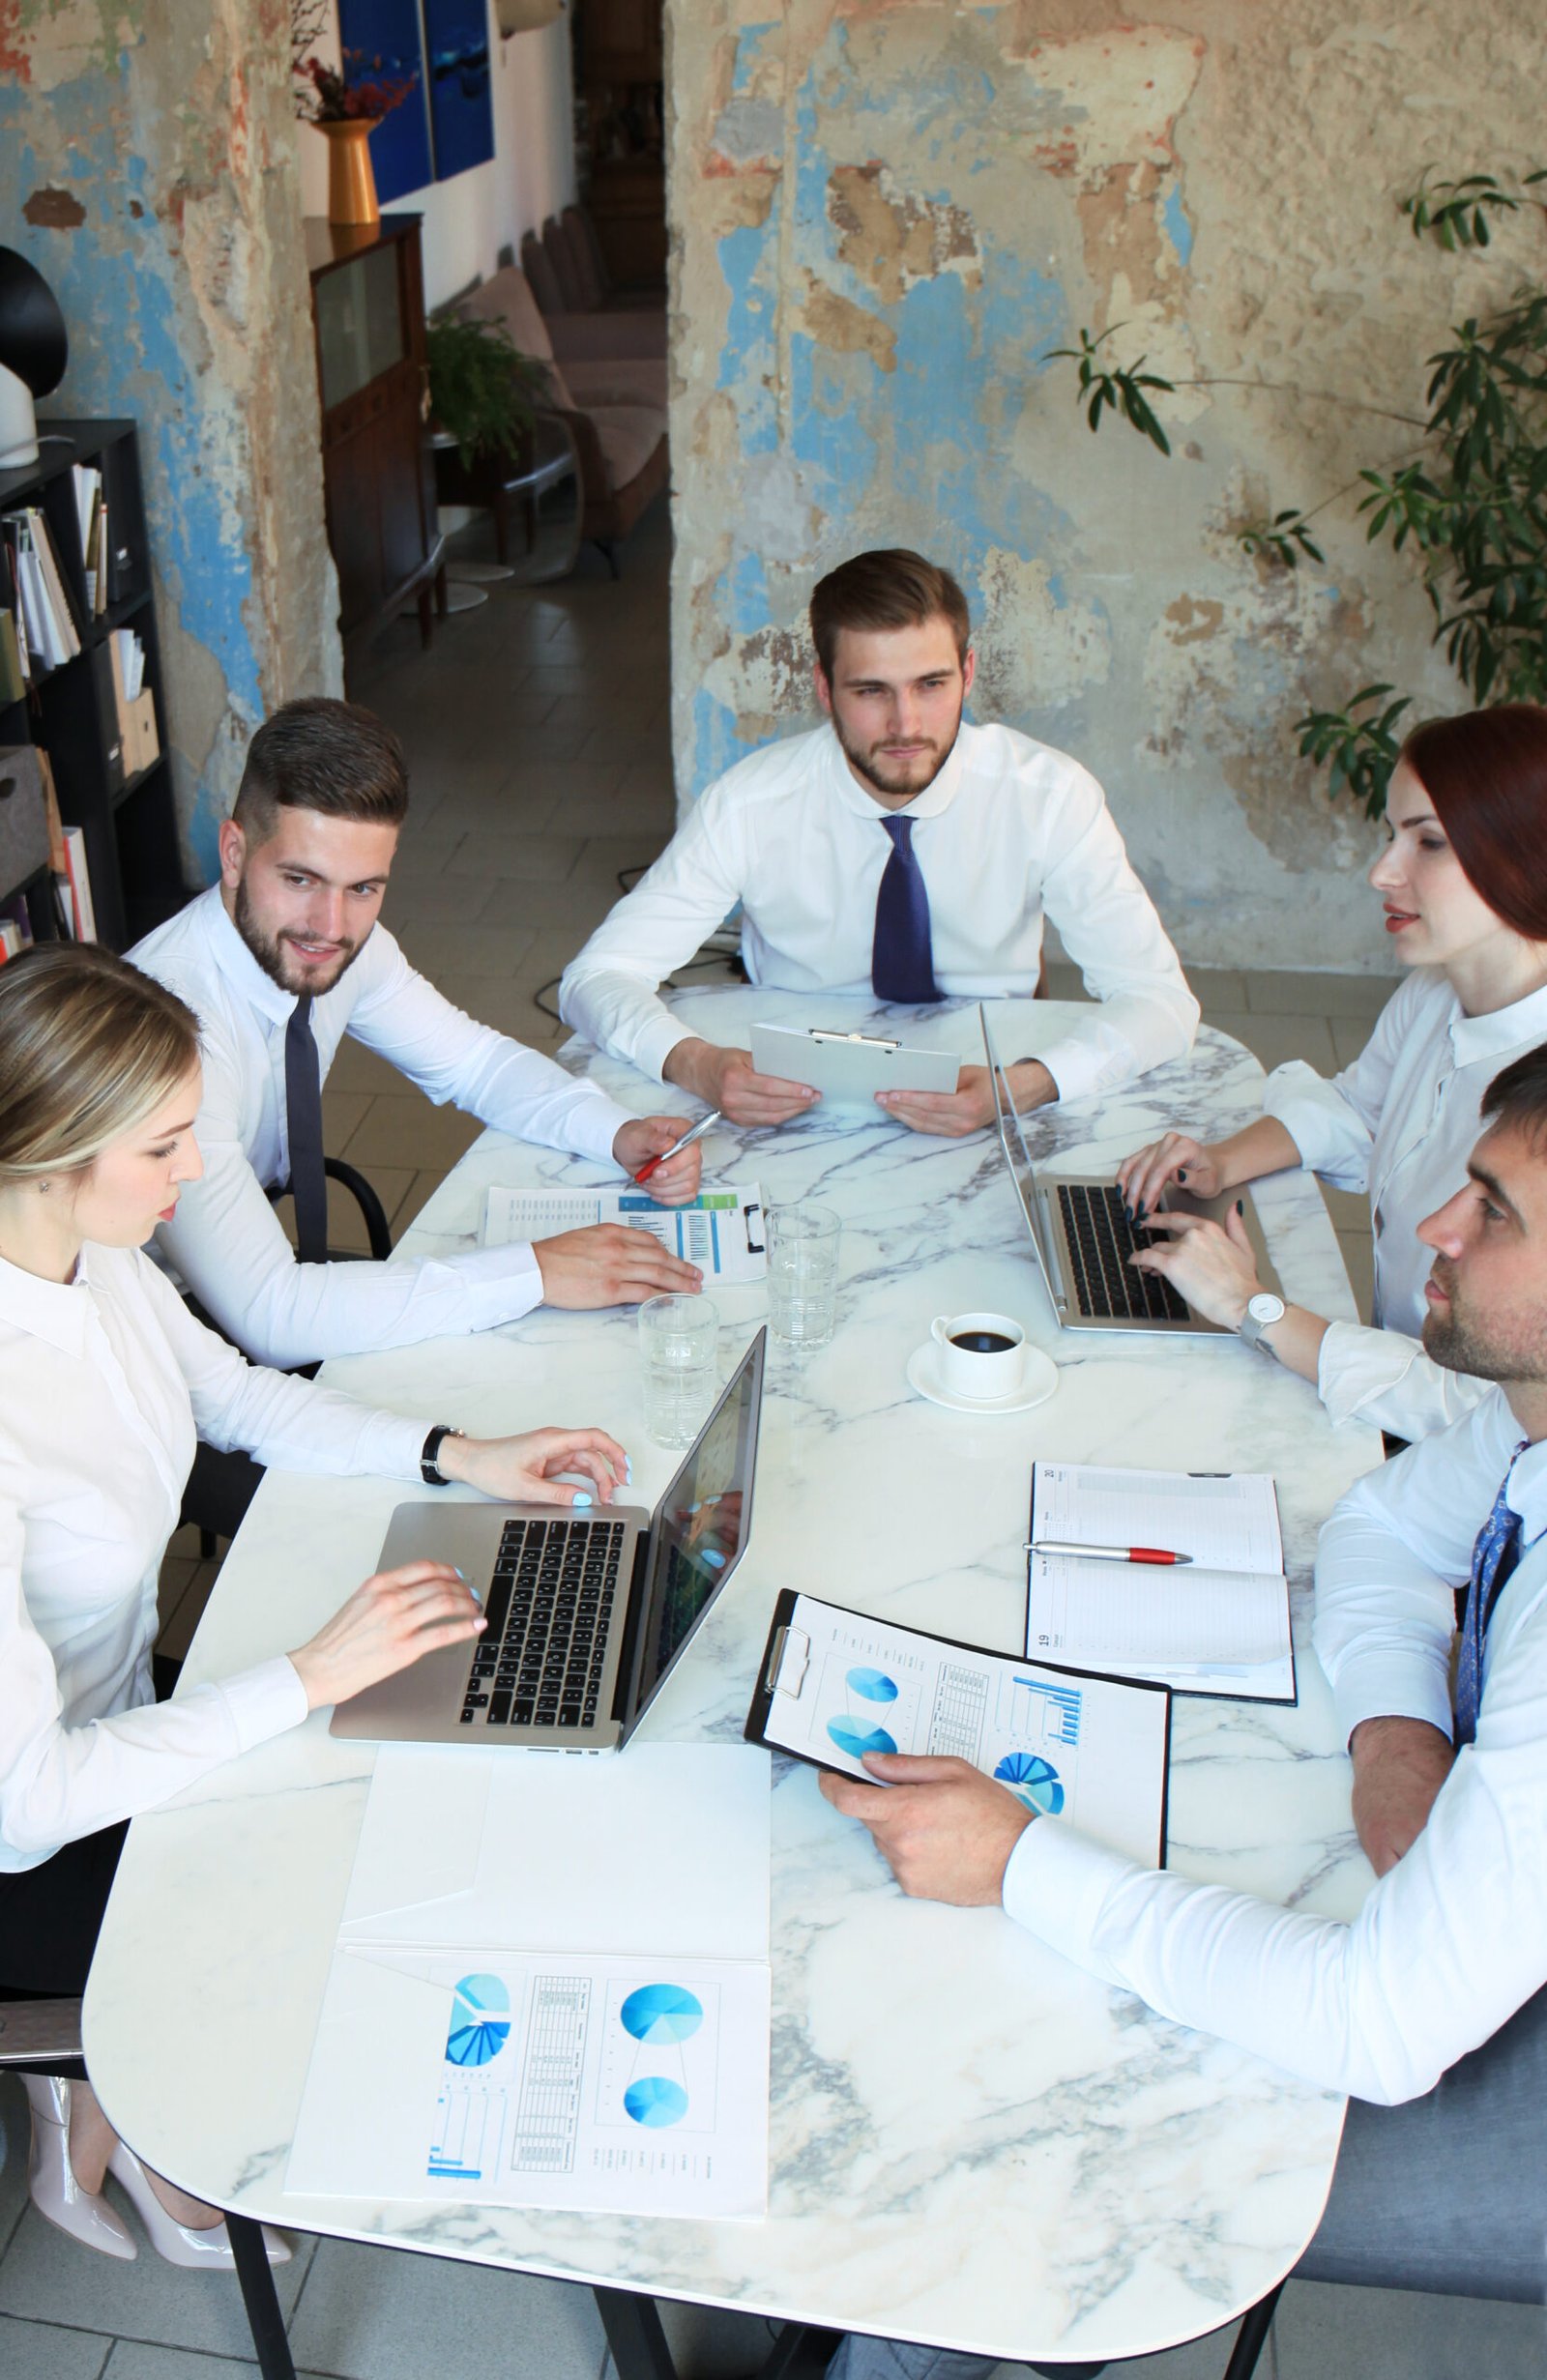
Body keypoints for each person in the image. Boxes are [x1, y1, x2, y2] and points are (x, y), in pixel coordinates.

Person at [820, 1043, 1547, 2377]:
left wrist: (1019, 1858)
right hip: (1486, 1910)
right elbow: (1385, 1526)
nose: (1437, 1226)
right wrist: (1397, 1728)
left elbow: (1378, 2026)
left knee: (1038, 2125)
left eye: (1493, 1213)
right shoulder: (1531, 1418)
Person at [0, 943, 630, 2268]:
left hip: (116, 1704)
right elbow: (28, 1804)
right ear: (55, 1146)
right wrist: (304, 1671)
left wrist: (460, 1451)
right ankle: (110, 2095)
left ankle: (99, 2086)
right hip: (30, 1829)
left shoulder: (83, 1245)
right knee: (333, 1830)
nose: (194, 1179)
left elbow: (234, 1395)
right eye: (168, 1147)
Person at [129, 697, 706, 1375]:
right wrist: (537, 1273)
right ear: (234, 853)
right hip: (150, 1323)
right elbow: (270, 1316)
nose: (331, 925)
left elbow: (474, 1064)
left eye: (365, 887)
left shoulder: (342, 941)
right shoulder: (170, 1029)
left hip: (256, 1265)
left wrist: (614, 1132)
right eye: (299, 879)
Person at [559, 550, 1198, 1136]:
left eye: (931, 684)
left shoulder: (1050, 795)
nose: (906, 725)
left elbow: (1162, 1002)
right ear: (824, 688)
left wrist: (1020, 1088)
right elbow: (596, 978)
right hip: (792, 1095)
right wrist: (697, 1066)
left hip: (990, 1080)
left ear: (968, 673)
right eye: (871, 691)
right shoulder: (750, 803)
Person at [1119, 705, 1547, 1441]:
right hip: (1381, 1375)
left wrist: (1253, 1308)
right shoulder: (1434, 992)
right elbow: (1361, 1112)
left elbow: (1488, 1409)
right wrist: (1219, 1163)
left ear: (1526, 854)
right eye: (1393, 834)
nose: (1383, 871)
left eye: (1430, 842)